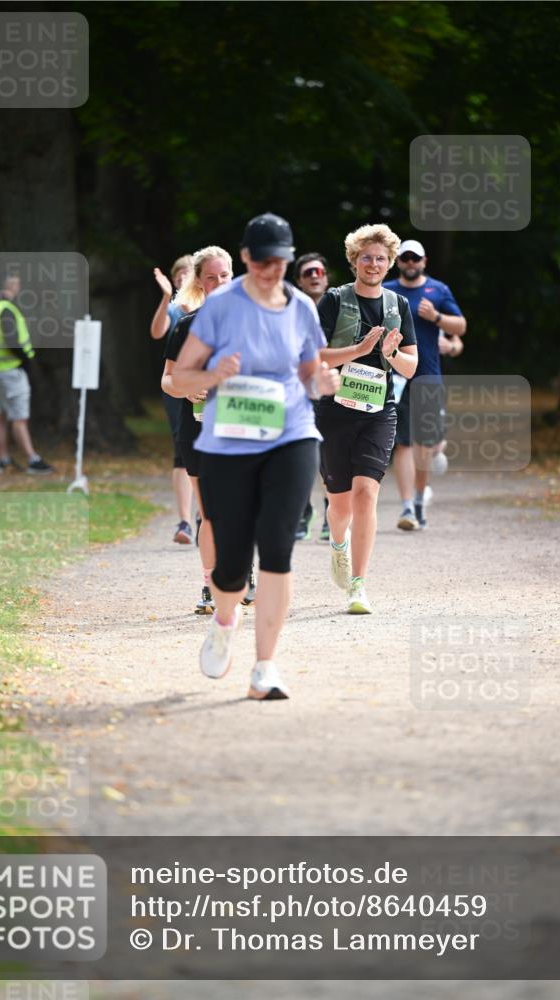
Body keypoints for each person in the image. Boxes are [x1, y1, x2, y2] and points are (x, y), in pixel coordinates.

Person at [172, 212, 339, 700]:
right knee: (231, 559)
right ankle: (225, 620)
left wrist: (322, 383)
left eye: (280, 261)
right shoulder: (221, 306)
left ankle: (265, 667)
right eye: (262, 260)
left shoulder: (302, 310)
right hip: (227, 442)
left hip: (291, 435)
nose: (271, 269)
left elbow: (310, 372)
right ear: (245, 258)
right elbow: (181, 378)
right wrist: (213, 376)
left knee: (278, 547)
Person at [316, 224, 417, 614]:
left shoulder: (398, 306)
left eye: (380, 258)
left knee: (367, 493)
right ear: (354, 260)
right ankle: (338, 543)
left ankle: (358, 584)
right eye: (366, 257)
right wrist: (358, 349)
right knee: (339, 503)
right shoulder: (334, 300)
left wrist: (390, 355)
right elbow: (316, 355)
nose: (373, 264)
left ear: (390, 263)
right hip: (335, 410)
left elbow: (411, 367)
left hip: (379, 410)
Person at [163, 245, 258, 615]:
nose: (219, 282)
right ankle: (209, 585)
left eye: (224, 275)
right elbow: (168, 380)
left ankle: (242, 572)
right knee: (211, 512)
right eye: (210, 277)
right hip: (199, 428)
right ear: (200, 284)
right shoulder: (188, 325)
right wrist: (190, 387)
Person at [384, 239, 467, 530]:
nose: (409, 263)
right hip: (395, 376)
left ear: (424, 261)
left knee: (423, 443)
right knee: (402, 443)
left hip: (427, 374)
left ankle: (419, 498)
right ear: (398, 262)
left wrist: (437, 317)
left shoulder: (437, 290)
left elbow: (461, 326)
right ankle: (407, 507)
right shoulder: (387, 291)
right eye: (404, 258)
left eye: (414, 258)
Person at [0, 274, 54, 474]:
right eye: (18, 284)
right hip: (11, 370)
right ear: (12, 286)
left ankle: (3, 460)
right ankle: (32, 459)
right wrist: (25, 361)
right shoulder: (6, 309)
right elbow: (12, 340)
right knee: (19, 417)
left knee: (1, 415)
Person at [151, 255, 196, 543]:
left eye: (189, 273)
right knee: (182, 448)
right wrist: (166, 297)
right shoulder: (174, 310)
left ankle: (207, 513)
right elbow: (156, 332)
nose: (183, 277)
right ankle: (184, 522)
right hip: (178, 388)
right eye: (179, 274)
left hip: (212, 388)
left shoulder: (214, 306)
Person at [293, 253, 331, 542]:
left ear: (327, 276)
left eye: (319, 271)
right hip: (300, 393)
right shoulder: (291, 309)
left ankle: (333, 511)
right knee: (301, 455)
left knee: (330, 457)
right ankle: (303, 512)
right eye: (308, 273)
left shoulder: (342, 307)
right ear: (299, 281)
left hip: (333, 392)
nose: (315, 276)